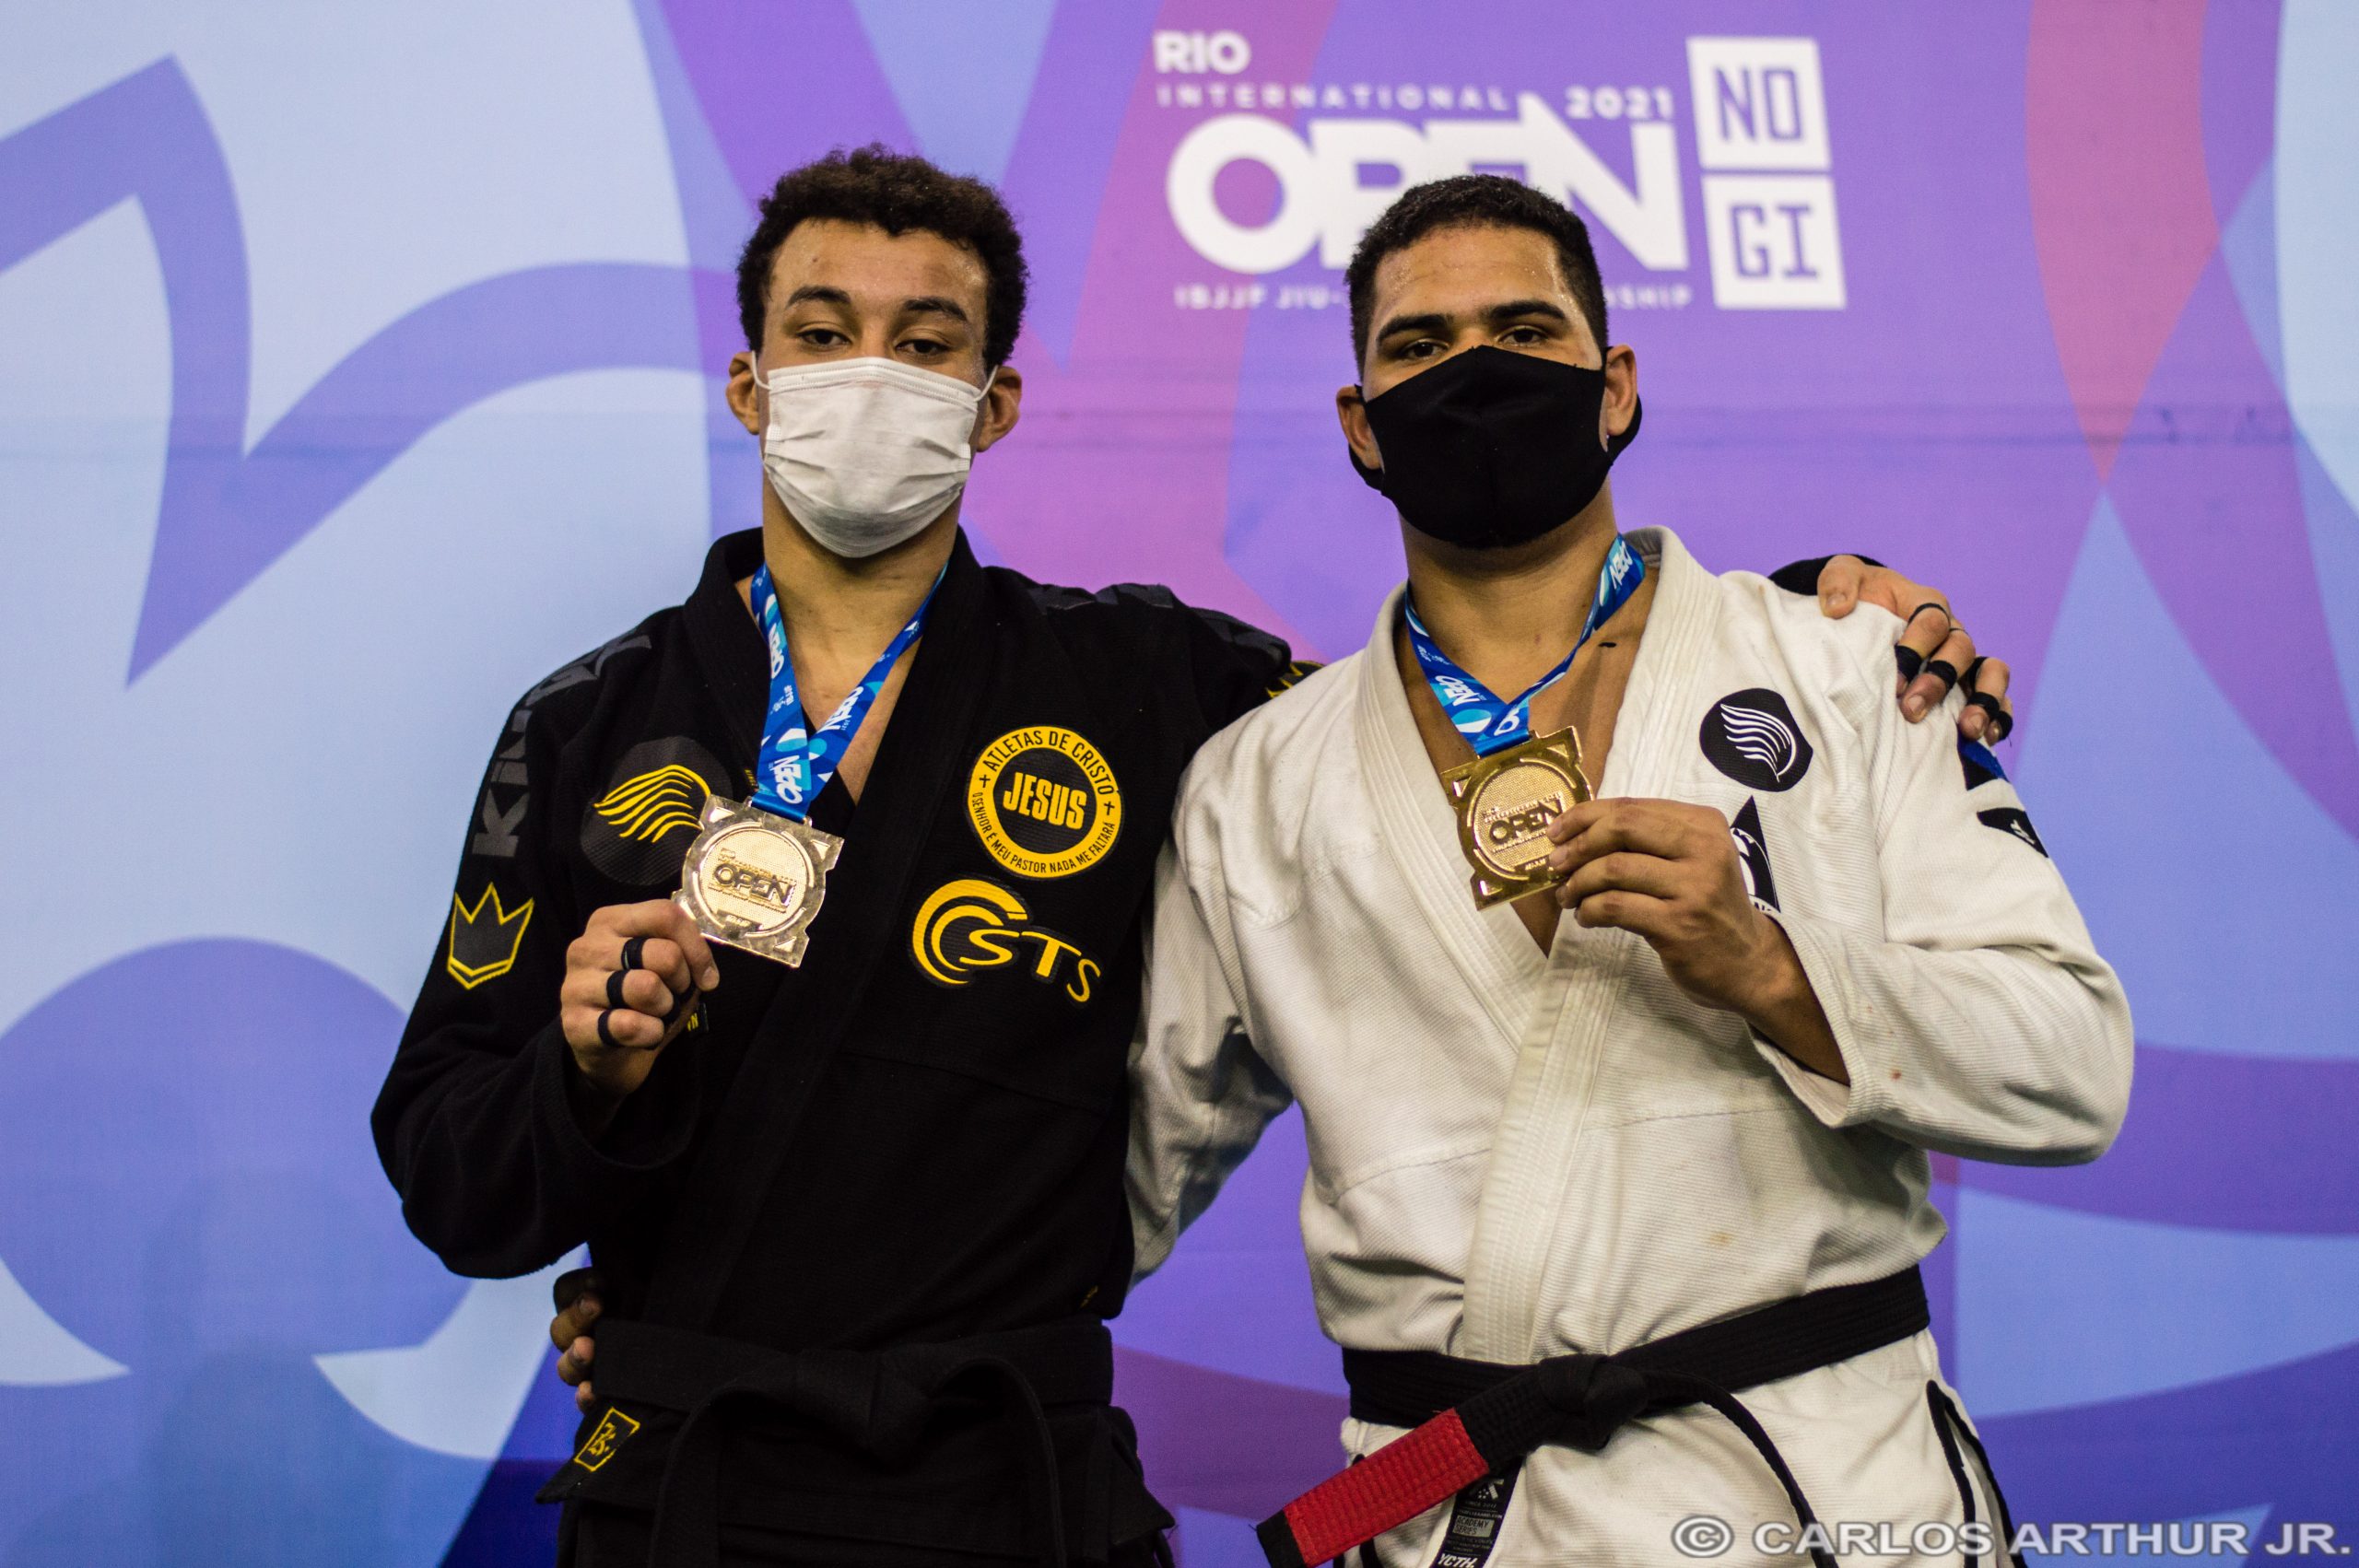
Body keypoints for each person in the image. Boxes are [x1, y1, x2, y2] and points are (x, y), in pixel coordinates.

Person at [376, 147, 2013, 1568]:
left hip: (1010, 1480)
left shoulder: (1146, 681)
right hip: (687, 1475)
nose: (870, 374)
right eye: (822, 333)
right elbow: (453, 1177)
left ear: (993, 403)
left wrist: (1795, 615)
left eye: (926, 343)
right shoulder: (587, 723)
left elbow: (1462, 698)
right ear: (750, 384)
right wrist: (588, 1081)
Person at [1125, 176, 2131, 1568]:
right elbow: (1101, 1193)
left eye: (1525, 330)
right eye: (1421, 346)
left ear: (1615, 388)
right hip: (1467, 1515)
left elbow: (2075, 1063)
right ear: (1361, 425)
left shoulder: (1849, 668)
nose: (1478, 371)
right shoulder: (1254, 782)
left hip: (1825, 1491)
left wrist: (1773, 969)